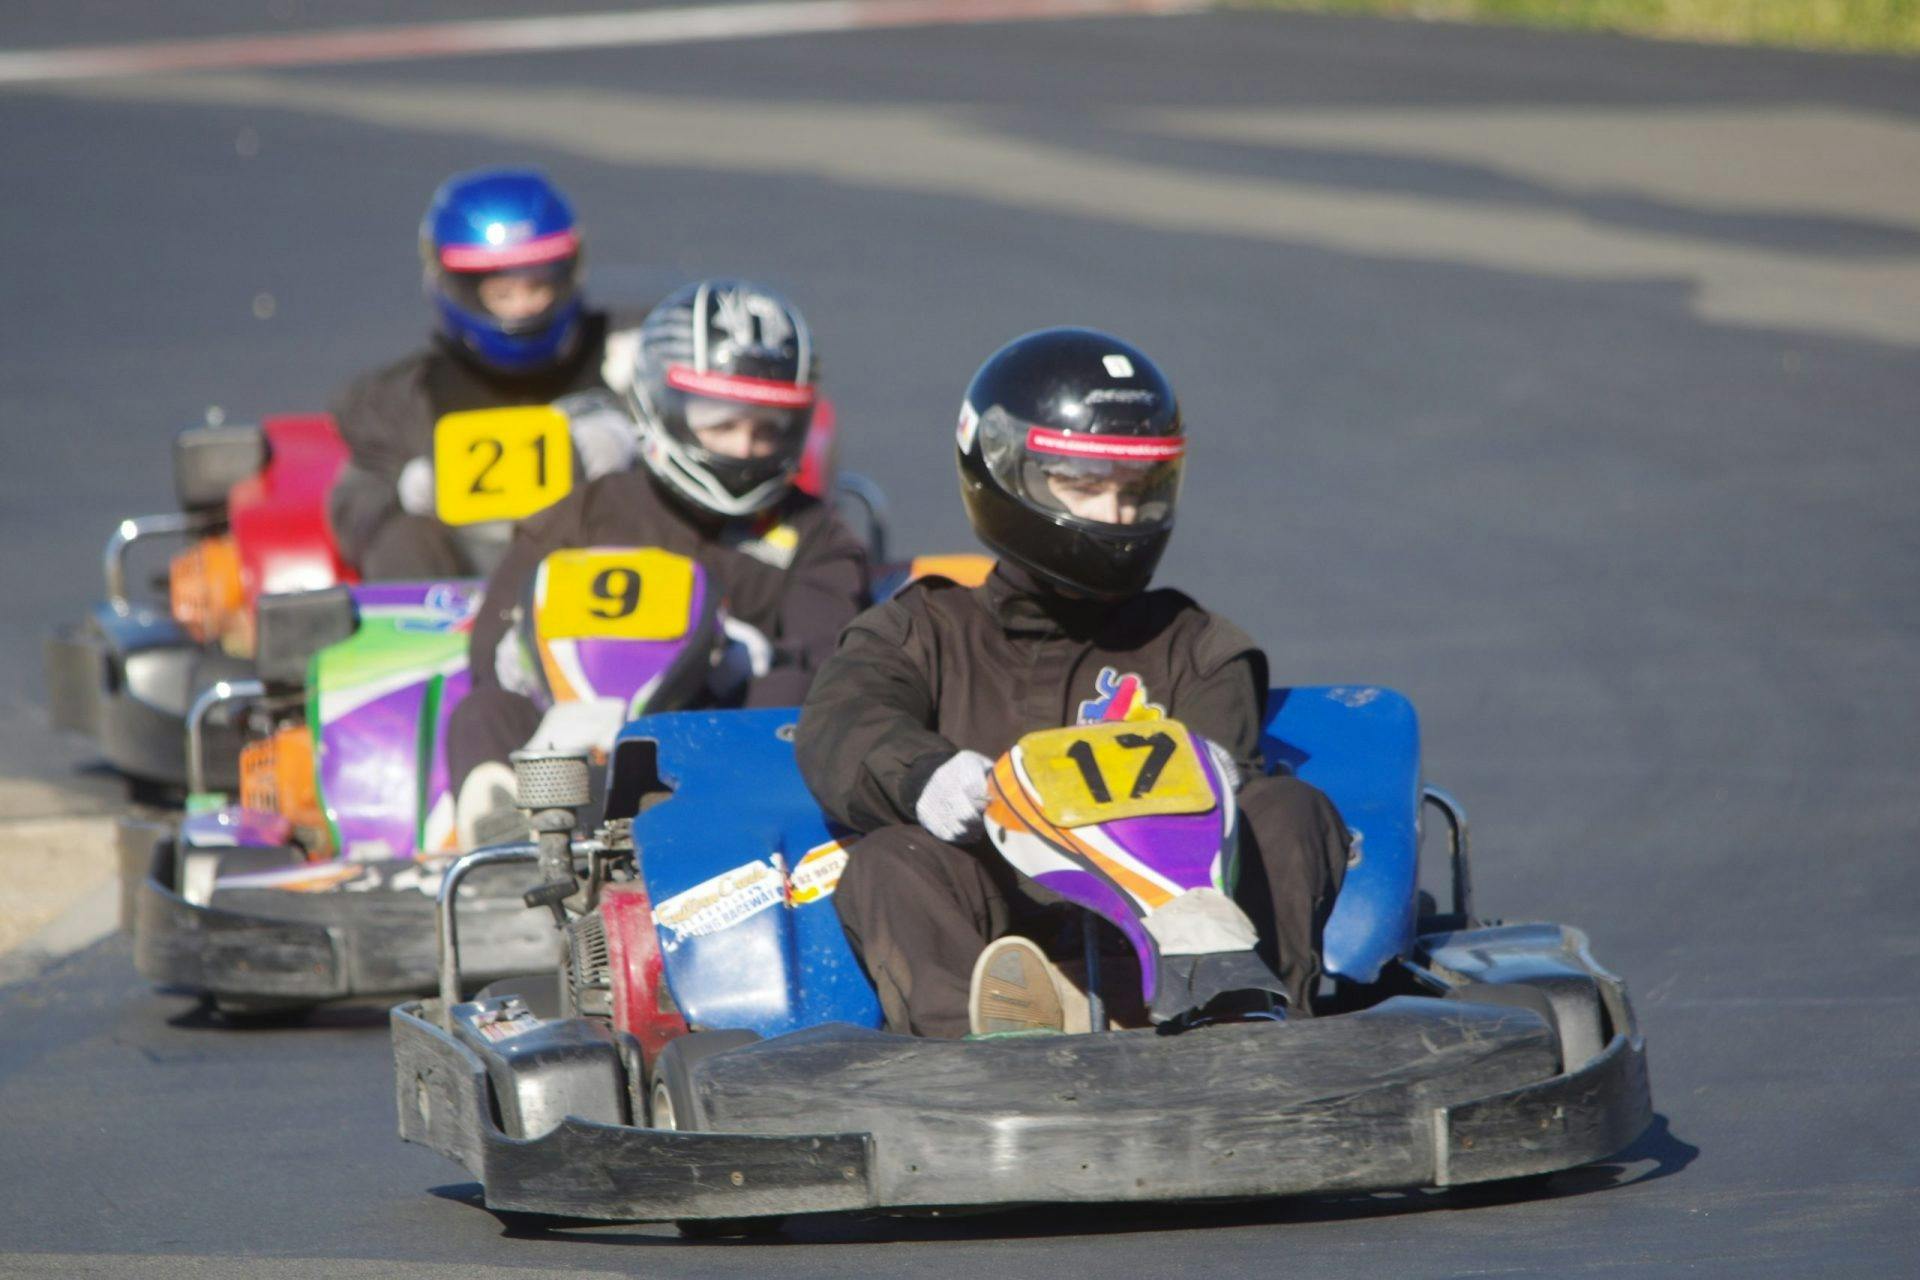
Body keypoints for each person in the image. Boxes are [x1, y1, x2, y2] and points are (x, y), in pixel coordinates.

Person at [794, 327, 1351, 1040]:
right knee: (889, 862)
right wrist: (925, 775)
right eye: (1086, 487)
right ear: (1002, 472)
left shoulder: (1198, 647)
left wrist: (1208, 781)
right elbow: (845, 721)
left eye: (1136, 492)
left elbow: (1225, 759)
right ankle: (984, 1054)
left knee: (1287, 808)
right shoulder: (921, 629)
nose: (1117, 517)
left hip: (1174, 922)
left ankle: (1246, 1029)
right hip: (992, 909)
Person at [446, 278, 870, 839]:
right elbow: (490, 644)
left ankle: (722, 843)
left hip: (706, 747)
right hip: (560, 745)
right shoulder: (589, 511)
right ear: (660, 404)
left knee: (784, 702)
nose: (744, 448)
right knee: (483, 712)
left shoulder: (816, 536)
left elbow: (824, 666)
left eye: (768, 430)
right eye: (721, 422)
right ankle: (499, 839)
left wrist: (736, 653)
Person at [325, 167, 640, 579]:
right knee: (401, 538)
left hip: (596, 583)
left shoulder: (630, 358)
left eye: (538, 287)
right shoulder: (400, 400)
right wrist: (411, 488)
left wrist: (633, 445)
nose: (525, 307)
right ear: (457, 287)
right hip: (458, 596)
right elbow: (353, 507)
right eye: (503, 294)